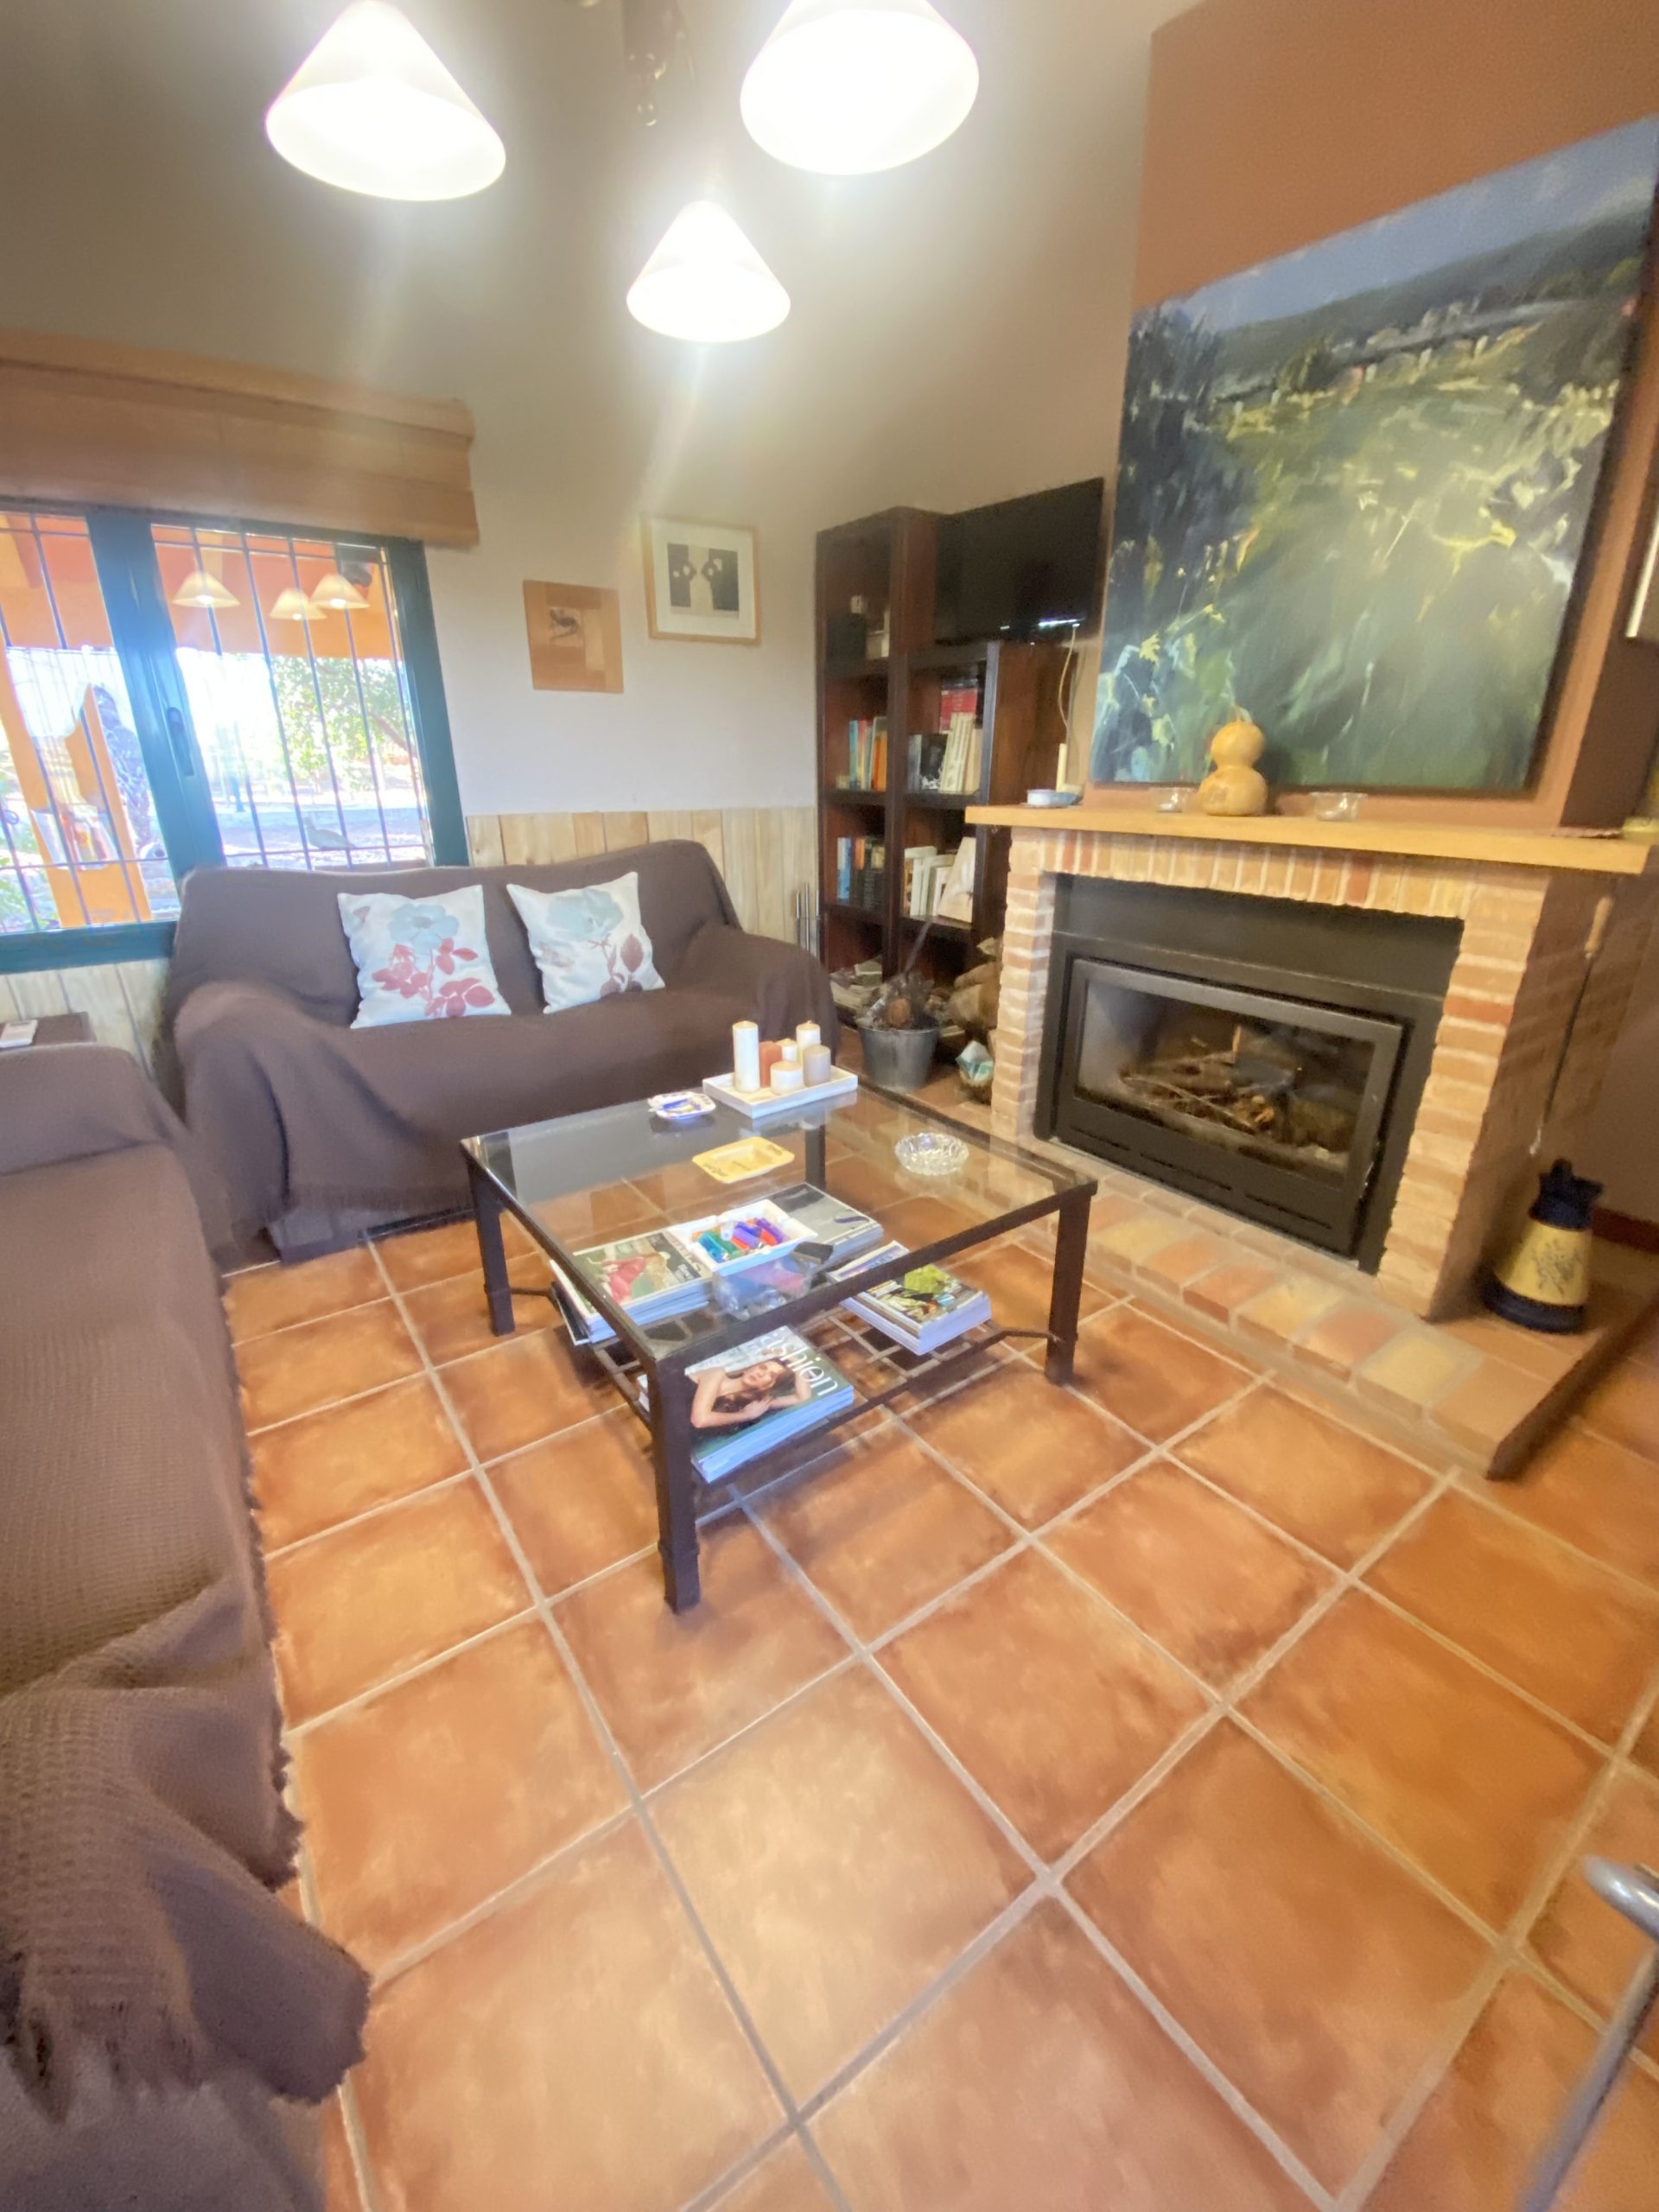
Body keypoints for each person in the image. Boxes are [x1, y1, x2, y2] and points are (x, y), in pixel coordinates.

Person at [691, 1355, 810, 1432]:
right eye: (762, 1367)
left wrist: (796, 1362)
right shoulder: (716, 1373)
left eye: (771, 1375)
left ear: (769, 1386)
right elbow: (700, 1420)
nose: (761, 1374)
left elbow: (802, 1398)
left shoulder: (754, 1403)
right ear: (749, 1368)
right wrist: (746, 1415)